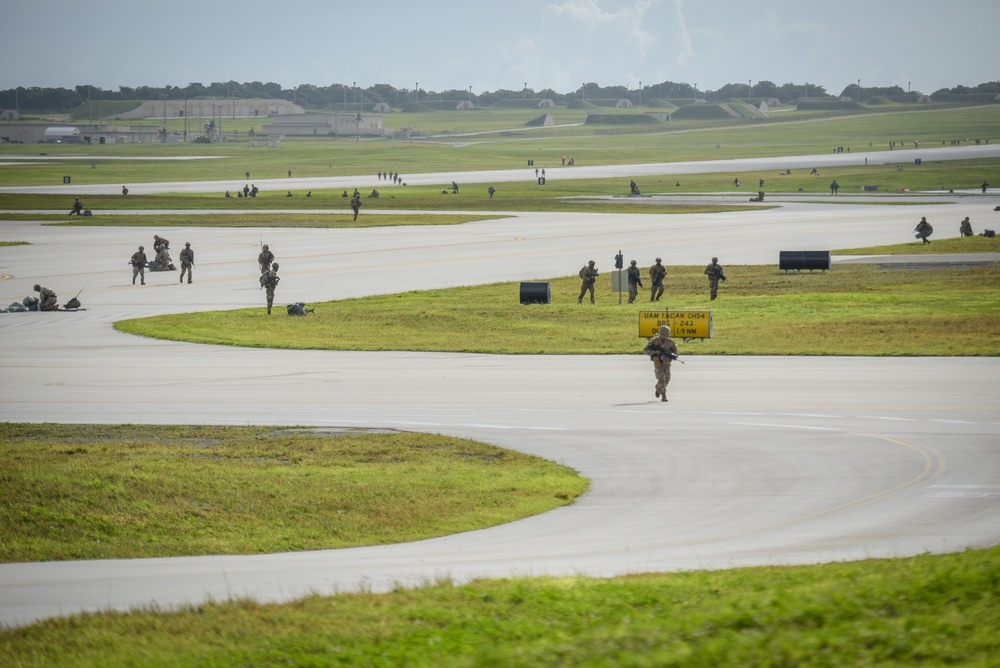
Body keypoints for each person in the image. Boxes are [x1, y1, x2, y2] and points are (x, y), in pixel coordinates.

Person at [642, 325, 679, 402]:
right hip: (658, 363)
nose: (665, 337)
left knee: (667, 379)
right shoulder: (654, 341)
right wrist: (655, 352)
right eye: (663, 335)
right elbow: (645, 351)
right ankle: (664, 396)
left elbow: (676, 352)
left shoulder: (671, 342)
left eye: (667, 335)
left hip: (666, 363)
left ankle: (658, 388)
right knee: (661, 379)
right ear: (660, 334)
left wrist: (672, 354)